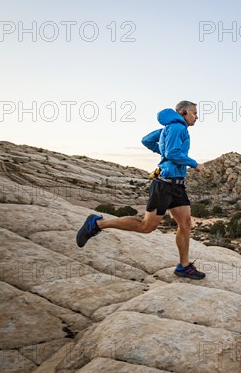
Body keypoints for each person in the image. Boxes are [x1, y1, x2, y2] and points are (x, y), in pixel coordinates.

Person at [76, 100, 207, 280]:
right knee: (147, 226)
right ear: (184, 112)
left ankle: (183, 266)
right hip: (164, 185)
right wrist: (194, 164)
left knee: (185, 224)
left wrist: (162, 148)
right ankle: (97, 224)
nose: (197, 117)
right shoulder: (178, 128)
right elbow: (172, 153)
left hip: (177, 185)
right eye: (194, 113)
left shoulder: (170, 128)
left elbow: (147, 140)